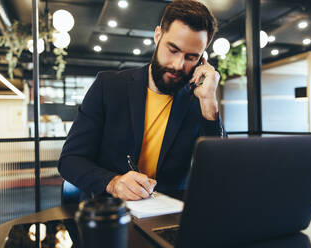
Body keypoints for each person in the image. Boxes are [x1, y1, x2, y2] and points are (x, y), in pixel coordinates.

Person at [58, 0, 225, 201]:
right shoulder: (109, 86)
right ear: (158, 35)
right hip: (110, 215)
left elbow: (219, 173)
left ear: (202, 59)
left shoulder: (197, 101)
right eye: (173, 49)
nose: (178, 65)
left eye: (191, 57)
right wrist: (113, 183)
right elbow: (70, 160)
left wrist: (209, 104)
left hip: (168, 219)